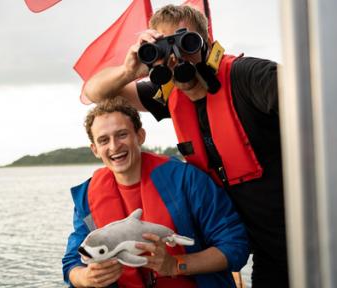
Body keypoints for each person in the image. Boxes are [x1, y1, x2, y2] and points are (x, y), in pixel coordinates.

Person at [83, 4, 287, 287]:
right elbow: (95, 92)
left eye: (186, 43)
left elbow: (318, 97)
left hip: (318, 233)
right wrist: (131, 69)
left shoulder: (249, 76)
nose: (178, 58)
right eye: (167, 49)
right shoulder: (169, 96)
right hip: (268, 252)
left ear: (207, 43)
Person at [62, 98, 249, 287]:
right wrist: (86, 277)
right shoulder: (87, 197)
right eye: (103, 140)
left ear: (140, 136)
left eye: (122, 135)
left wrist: (176, 265)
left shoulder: (188, 179)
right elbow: (72, 263)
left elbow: (235, 245)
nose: (114, 146)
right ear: (95, 149)